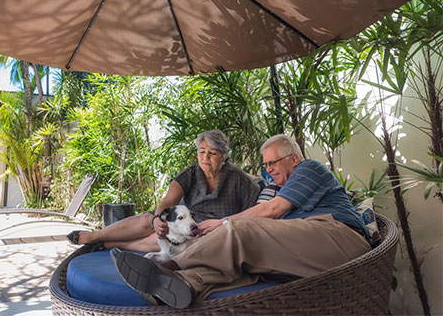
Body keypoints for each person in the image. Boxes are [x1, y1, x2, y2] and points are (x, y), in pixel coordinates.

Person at [111, 134, 371, 308]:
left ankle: (166, 267)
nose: (268, 169)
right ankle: (181, 284)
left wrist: (223, 222)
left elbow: (273, 210)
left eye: (273, 162)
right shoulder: (275, 186)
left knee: (239, 229)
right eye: (265, 165)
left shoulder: (308, 169)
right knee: (237, 259)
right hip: (305, 253)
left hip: (340, 239)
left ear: (293, 158)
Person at [67, 130, 260, 252]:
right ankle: (95, 237)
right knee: (148, 220)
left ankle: (112, 244)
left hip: (210, 229)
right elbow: (168, 202)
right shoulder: (191, 173)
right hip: (184, 218)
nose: (205, 157)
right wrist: (157, 219)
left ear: (224, 157)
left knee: (164, 240)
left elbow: (252, 214)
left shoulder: (239, 179)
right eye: (201, 151)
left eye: (213, 153)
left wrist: (223, 225)